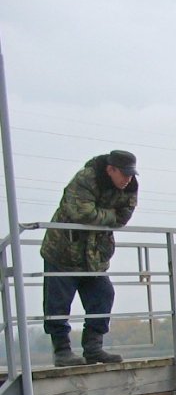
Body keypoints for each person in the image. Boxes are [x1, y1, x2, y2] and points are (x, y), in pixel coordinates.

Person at [40, 150, 139, 366]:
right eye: (124, 174)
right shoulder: (86, 178)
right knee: (57, 304)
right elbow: (82, 213)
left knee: (103, 295)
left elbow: (122, 218)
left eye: (131, 174)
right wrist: (108, 216)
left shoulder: (130, 187)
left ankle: (94, 348)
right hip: (63, 250)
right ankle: (62, 351)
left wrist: (101, 215)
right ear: (110, 169)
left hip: (95, 256)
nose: (128, 179)